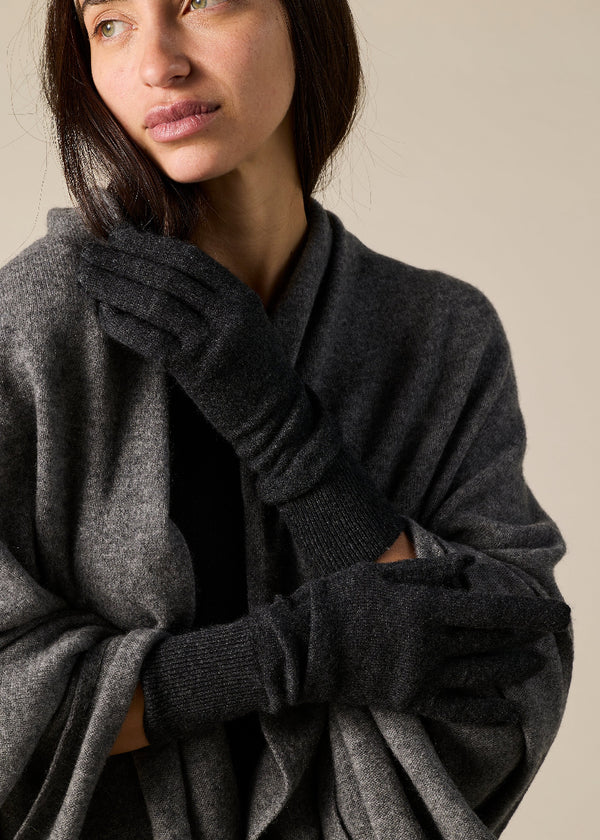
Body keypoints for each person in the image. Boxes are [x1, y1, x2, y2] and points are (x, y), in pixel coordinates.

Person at [0, 1, 572, 838]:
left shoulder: (438, 334)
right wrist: (283, 655)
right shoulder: (32, 325)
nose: (158, 63)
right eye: (110, 22)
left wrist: (287, 436)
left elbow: (510, 675)